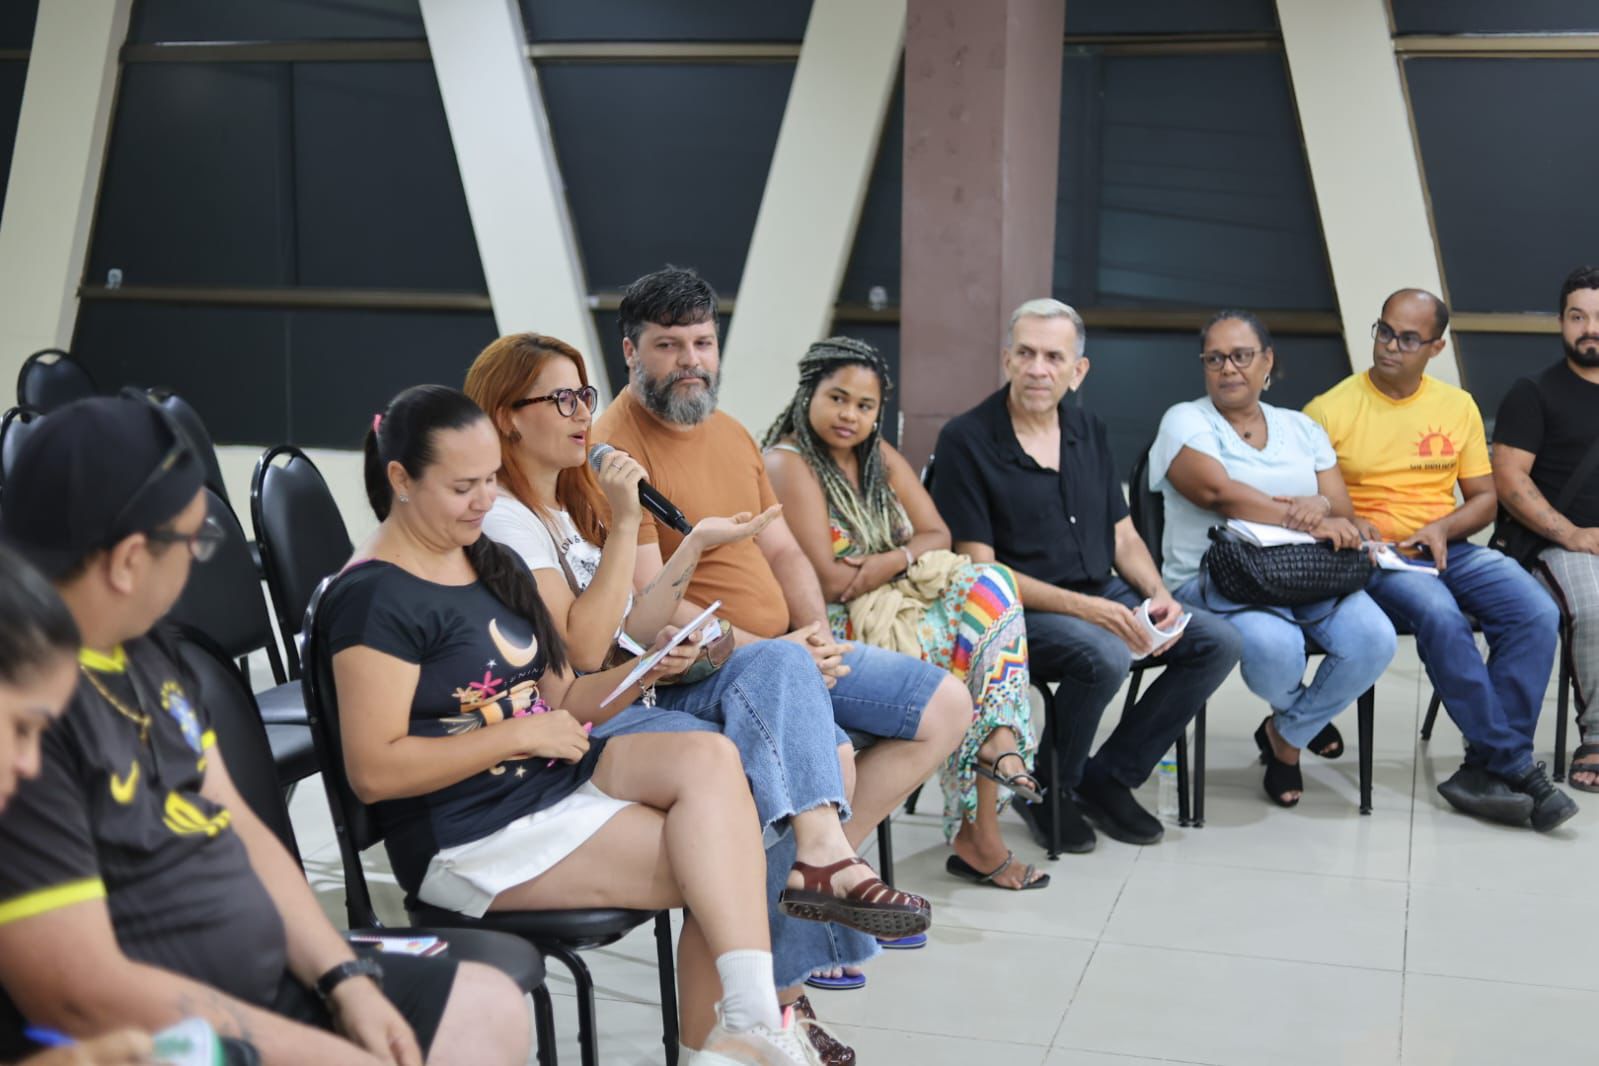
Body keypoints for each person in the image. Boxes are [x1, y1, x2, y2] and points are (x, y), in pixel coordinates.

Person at [0, 394, 531, 1066]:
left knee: (488, 1009)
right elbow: (79, 996)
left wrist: (343, 978)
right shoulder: (26, 719)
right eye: (191, 541)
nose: (196, 562)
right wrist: (318, 1051)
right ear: (130, 559)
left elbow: (241, 826)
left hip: (263, 984)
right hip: (161, 1031)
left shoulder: (151, 651)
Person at [323, 384, 842, 1065]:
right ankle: (742, 1033)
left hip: (546, 783)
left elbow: (564, 697)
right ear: (400, 480)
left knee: (711, 759)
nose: (484, 501)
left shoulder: (488, 560)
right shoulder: (373, 599)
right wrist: (518, 734)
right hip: (469, 835)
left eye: (490, 480)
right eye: (462, 487)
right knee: (731, 857)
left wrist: (643, 671)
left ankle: (746, 1023)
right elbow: (373, 772)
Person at [465, 334, 906, 1064]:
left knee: (782, 667)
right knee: (784, 779)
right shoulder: (509, 519)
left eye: (584, 396)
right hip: (588, 718)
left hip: (632, 689)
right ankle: (748, 1018)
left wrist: (692, 547)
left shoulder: (562, 507)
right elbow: (583, 652)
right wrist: (627, 522)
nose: (581, 414)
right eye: (562, 399)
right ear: (508, 416)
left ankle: (822, 860)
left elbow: (632, 628)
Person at [589, 268, 971, 878]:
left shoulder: (729, 431)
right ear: (631, 351)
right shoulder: (615, 455)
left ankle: (806, 883)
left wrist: (815, 636)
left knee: (947, 706)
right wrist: (780, 653)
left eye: (703, 343)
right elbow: (652, 603)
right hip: (708, 667)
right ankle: (818, 889)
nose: (691, 361)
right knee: (834, 760)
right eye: (669, 345)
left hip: (791, 647)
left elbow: (786, 552)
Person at [932, 298, 1242, 853]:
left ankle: (1108, 777)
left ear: (1078, 371)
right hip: (1013, 612)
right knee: (1103, 655)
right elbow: (982, 572)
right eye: (1026, 353)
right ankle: (1046, 789)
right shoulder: (967, 439)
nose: (1038, 368)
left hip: (1101, 589)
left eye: (1054, 357)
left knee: (1217, 641)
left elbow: (1121, 535)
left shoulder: (1087, 428)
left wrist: (1158, 594)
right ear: (1006, 359)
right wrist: (1089, 610)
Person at [762, 337, 1047, 891]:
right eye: (837, 398)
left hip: (899, 603)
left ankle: (992, 762)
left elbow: (938, 532)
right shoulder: (787, 463)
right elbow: (829, 581)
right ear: (808, 393)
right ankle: (988, 796)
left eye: (864, 406)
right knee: (972, 653)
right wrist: (900, 557)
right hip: (835, 629)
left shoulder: (877, 457)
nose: (850, 415)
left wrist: (886, 561)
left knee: (992, 582)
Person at [1304, 288, 1575, 831]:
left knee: (1535, 611)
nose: (1390, 346)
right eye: (1385, 331)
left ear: (1436, 347)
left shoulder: (1456, 406)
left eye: (1408, 339)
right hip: (1375, 557)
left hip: (1447, 545)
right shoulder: (1327, 410)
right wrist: (1353, 523)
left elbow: (1485, 499)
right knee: (1439, 614)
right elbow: (1315, 507)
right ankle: (1513, 765)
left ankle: (1485, 769)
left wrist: (1443, 528)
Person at [1150, 310, 1397, 806]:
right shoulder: (1186, 420)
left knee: (1375, 638)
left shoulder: (1301, 428)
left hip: (1306, 575)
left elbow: (1340, 508)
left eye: (1241, 356)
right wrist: (1306, 519)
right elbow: (1219, 494)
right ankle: (1305, 724)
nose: (1228, 368)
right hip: (1218, 579)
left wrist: (1321, 506)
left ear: (1267, 362)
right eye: (1215, 358)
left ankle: (1285, 735)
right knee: (1276, 648)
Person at [1494, 267, 1599, 793]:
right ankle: (1598, 736)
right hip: (1553, 543)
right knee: (1597, 606)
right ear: (1561, 322)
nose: (1590, 328)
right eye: (1578, 317)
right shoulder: (1533, 392)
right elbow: (1509, 480)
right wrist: (1572, 533)